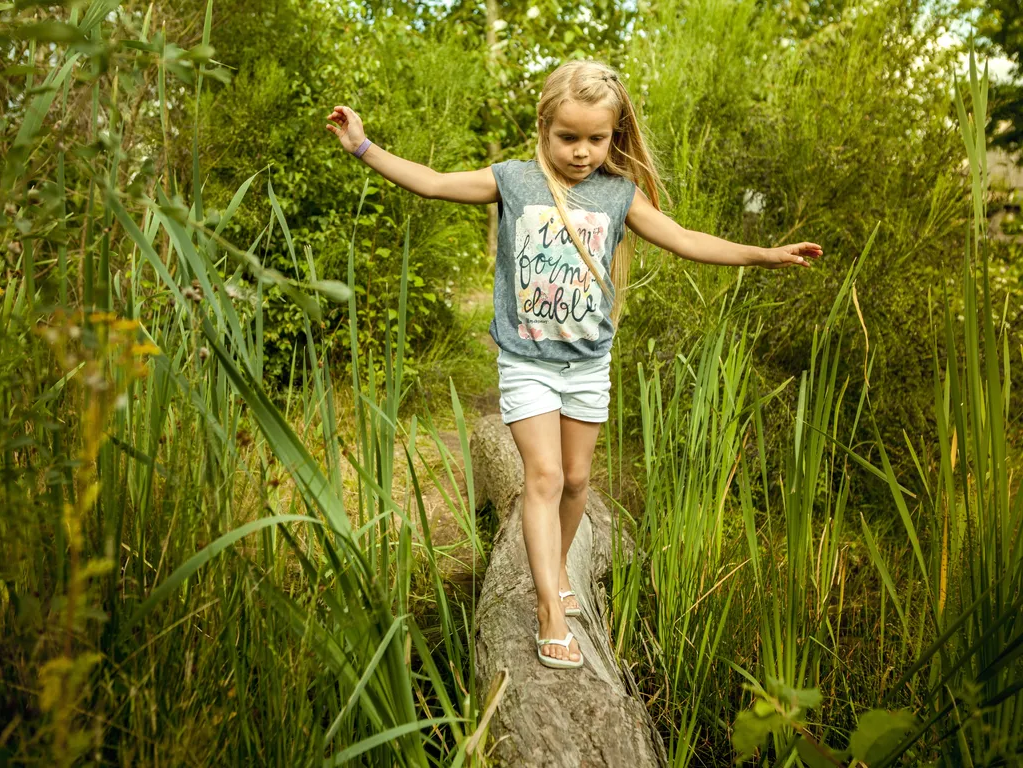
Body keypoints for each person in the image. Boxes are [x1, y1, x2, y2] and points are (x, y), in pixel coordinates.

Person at [326, 59, 822, 671]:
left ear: (614, 134)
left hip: (588, 364)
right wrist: (363, 147)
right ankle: (549, 610)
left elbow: (687, 239)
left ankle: (558, 565)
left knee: (579, 482)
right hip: (527, 361)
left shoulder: (619, 195)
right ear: (544, 128)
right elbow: (432, 181)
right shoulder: (513, 180)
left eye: (598, 138)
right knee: (545, 478)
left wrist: (763, 254)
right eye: (569, 137)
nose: (583, 152)